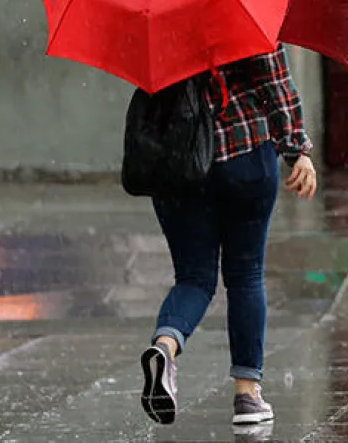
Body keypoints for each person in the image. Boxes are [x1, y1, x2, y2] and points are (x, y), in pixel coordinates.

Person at [139, 44, 317, 427]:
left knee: (193, 277)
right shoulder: (242, 3)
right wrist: (297, 148)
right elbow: (275, 81)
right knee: (245, 275)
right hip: (244, 152)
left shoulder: (156, 14)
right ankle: (247, 396)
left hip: (180, 163)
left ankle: (165, 348)